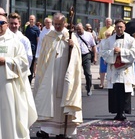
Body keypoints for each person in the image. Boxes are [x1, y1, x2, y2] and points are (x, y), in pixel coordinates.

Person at [34, 12, 83, 138]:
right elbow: (43, 56)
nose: (56, 26)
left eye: (59, 24)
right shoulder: (48, 36)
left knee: (64, 99)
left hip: (64, 76)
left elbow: (77, 57)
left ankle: (63, 131)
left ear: (64, 23)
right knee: (48, 100)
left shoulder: (70, 36)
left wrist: (73, 47)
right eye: (55, 24)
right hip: (50, 76)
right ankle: (46, 129)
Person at [0, 8, 37, 139]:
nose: (0, 26)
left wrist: (6, 61)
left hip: (9, 86)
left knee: (8, 116)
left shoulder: (16, 41)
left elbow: (24, 62)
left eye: (2, 23)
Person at [101, 19, 135, 121]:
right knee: (115, 91)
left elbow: (134, 53)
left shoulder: (130, 40)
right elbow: (103, 53)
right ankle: (117, 112)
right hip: (114, 70)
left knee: (124, 91)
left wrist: (121, 51)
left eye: (121, 27)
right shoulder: (109, 40)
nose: (119, 29)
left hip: (125, 70)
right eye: (117, 27)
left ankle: (123, 112)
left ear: (124, 27)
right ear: (115, 28)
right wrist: (113, 52)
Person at [75, 23, 97, 96]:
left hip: (86, 55)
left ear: (83, 28)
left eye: (80, 29)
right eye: (77, 29)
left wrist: (95, 57)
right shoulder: (74, 35)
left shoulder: (88, 35)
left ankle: (89, 87)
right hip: (77, 55)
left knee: (87, 73)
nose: (78, 31)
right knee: (76, 73)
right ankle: (76, 90)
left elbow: (93, 46)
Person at [25, 14, 40, 83]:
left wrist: (37, 50)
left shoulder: (36, 29)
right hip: (26, 48)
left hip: (33, 49)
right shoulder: (27, 27)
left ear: (35, 20)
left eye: (32, 19)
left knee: (31, 66)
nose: (31, 20)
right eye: (30, 19)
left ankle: (29, 81)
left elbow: (38, 40)